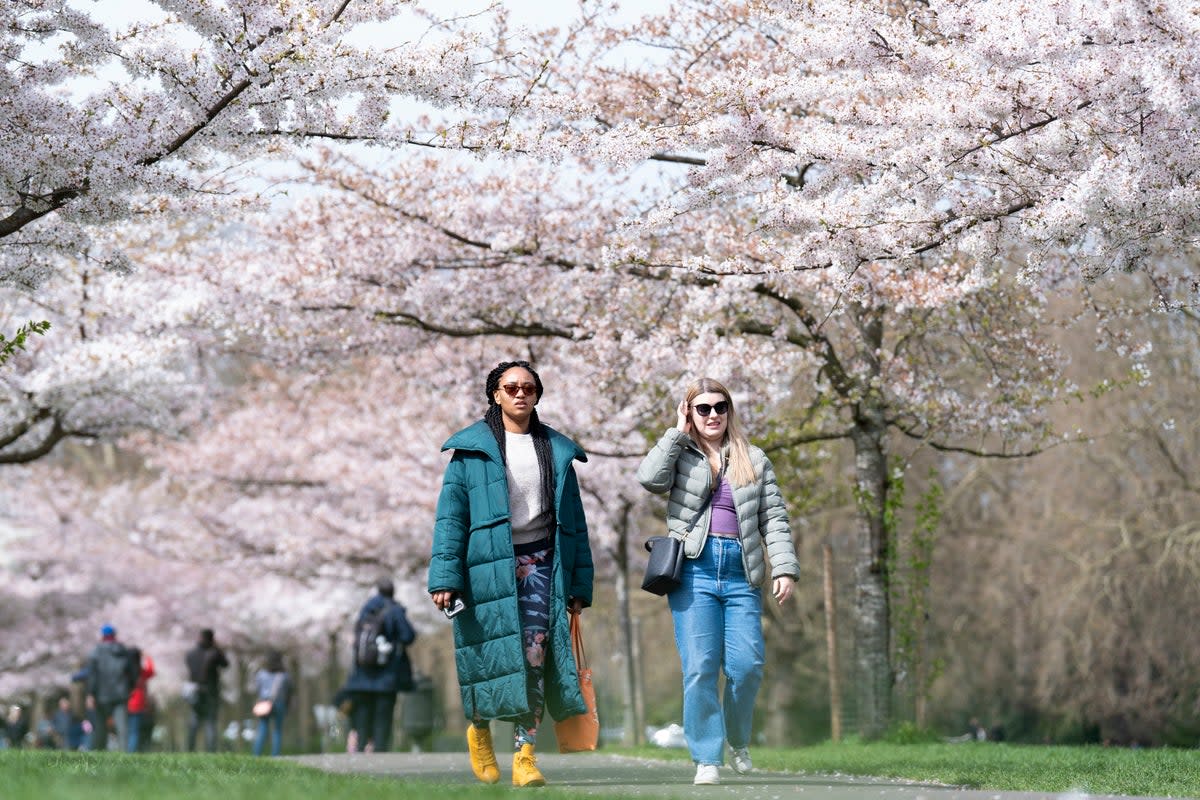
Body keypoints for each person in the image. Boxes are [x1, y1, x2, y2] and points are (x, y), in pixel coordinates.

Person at [429, 359, 594, 788]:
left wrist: (578, 584)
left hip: (540, 566)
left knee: (534, 657)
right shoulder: (470, 452)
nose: (521, 394)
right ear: (495, 395)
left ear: (537, 395)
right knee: (486, 656)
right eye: (511, 387)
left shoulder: (558, 452)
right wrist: (445, 578)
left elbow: (574, 525)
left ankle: (525, 754)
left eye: (529, 387)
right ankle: (480, 731)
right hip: (484, 567)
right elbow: (451, 518)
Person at [636, 377, 799, 786]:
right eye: (703, 408)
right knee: (700, 668)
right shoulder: (681, 453)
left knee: (748, 666)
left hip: (742, 572)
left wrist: (784, 568)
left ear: (730, 411)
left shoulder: (754, 458)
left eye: (720, 407)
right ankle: (706, 757)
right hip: (694, 570)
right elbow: (649, 478)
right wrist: (676, 432)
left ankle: (738, 739)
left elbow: (774, 518)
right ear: (689, 412)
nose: (713, 415)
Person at [343, 578, 416, 753]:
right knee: (383, 716)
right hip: (387, 674)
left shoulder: (366, 610)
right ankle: (380, 753)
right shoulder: (395, 610)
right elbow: (408, 636)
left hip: (363, 673)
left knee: (364, 714)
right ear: (392, 592)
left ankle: (360, 749)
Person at [85, 624, 134, 752]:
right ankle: (124, 753)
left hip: (102, 695)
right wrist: (129, 688)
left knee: (101, 726)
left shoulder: (96, 652)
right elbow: (131, 673)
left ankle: (98, 751)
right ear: (114, 635)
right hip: (120, 694)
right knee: (122, 726)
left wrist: (90, 694)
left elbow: (93, 675)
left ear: (102, 636)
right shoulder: (123, 651)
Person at [184, 628, 229, 752]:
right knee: (210, 723)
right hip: (211, 691)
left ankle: (190, 750)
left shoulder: (190, 653)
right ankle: (211, 751)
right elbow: (225, 664)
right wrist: (218, 648)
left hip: (195, 691)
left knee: (194, 722)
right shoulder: (214, 653)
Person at [252, 649, 291, 757]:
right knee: (277, 730)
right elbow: (289, 690)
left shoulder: (261, 674)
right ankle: (275, 755)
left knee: (262, 728)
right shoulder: (284, 675)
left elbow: (257, 689)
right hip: (279, 703)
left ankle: (256, 754)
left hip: (264, 703)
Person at [125, 646, 155, 752]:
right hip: (138, 704)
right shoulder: (141, 672)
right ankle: (131, 752)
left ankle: (128, 750)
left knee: (126, 730)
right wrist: (147, 657)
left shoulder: (124, 672)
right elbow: (151, 671)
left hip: (124, 702)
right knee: (135, 731)